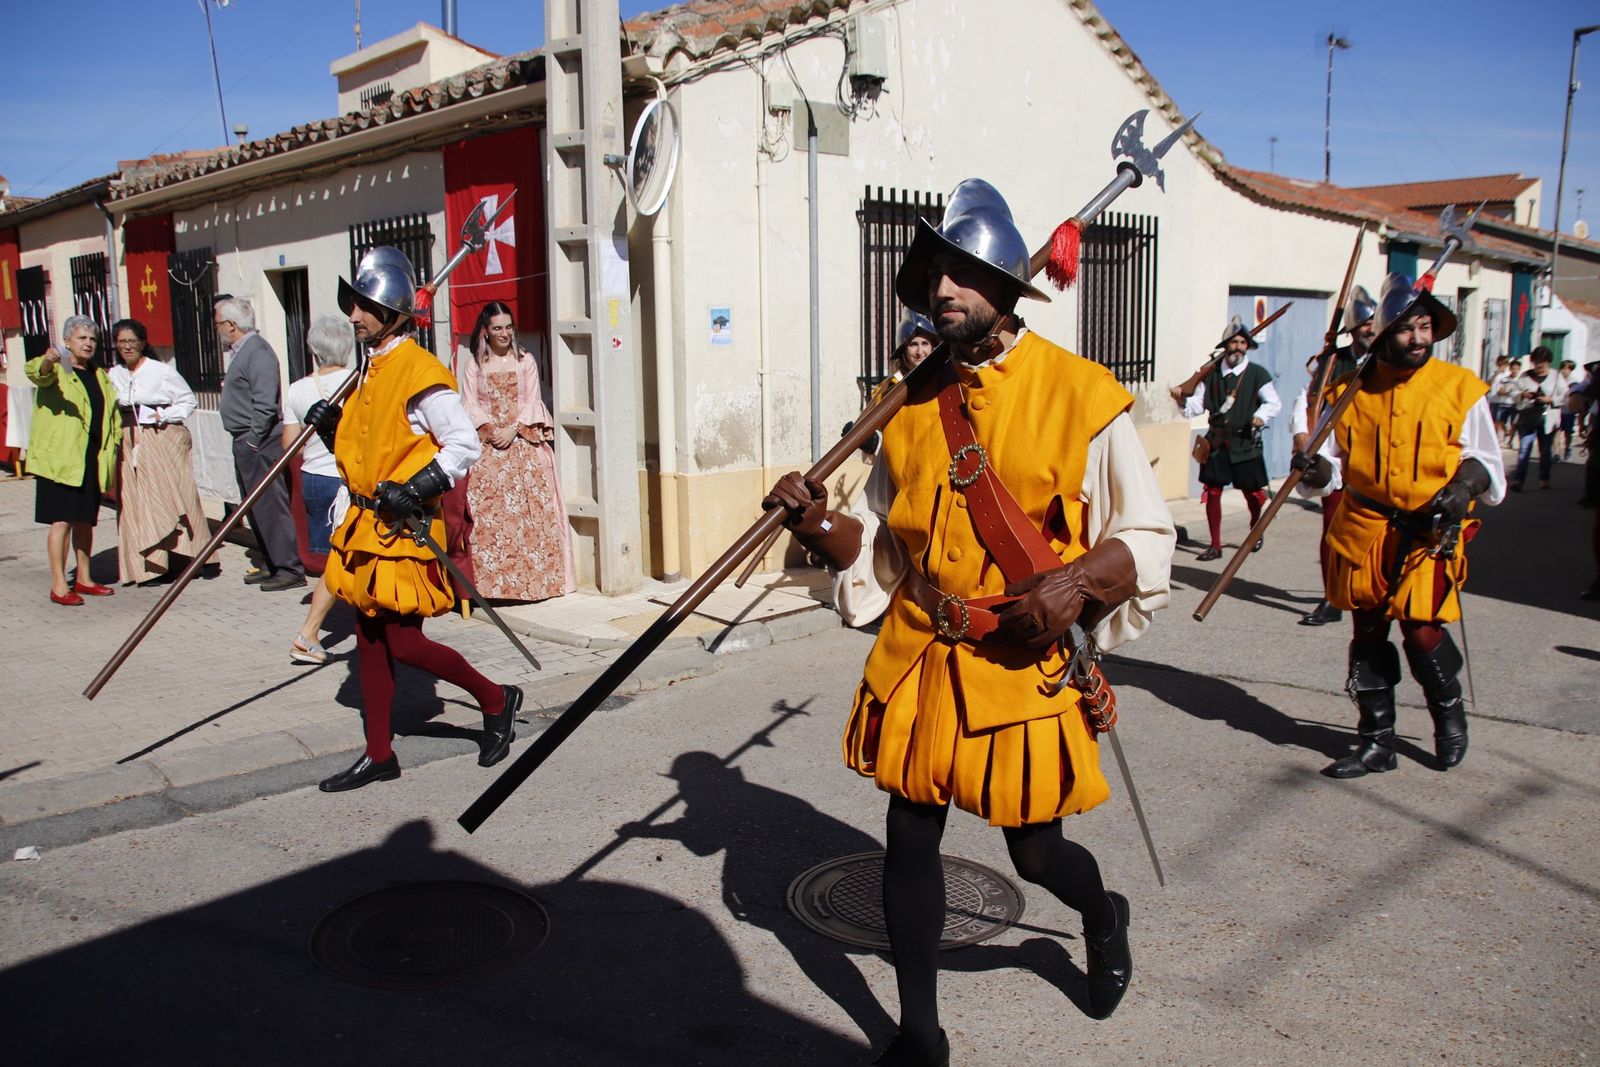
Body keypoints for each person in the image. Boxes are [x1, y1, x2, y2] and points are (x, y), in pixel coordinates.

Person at [766, 180, 1175, 1066]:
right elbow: (880, 541)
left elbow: (1144, 534)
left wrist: (1075, 583)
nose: (940, 291)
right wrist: (813, 521)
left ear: (1004, 285)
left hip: (1020, 657)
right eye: (932, 278)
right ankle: (921, 1033)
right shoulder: (904, 405)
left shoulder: (1079, 392)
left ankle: (1104, 916)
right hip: (922, 650)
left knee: (1035, 852)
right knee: (909, 836)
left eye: (959, 275)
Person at [303, 246, 521, 791]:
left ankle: (496, 699)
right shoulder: (367, 370)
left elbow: (463, 444)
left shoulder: (419, 371)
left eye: (364, 306)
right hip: (365, 524)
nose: (353, 315)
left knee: (401, 642)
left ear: (393, 313)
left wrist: (417, 486)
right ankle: (379, 754)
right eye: (352, 304)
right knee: (370, 640)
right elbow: (367, 449)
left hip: (404, 529)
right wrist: (331, 428)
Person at [1293, 272, 1505, 779]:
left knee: (1423, 631)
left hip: (1428, 532)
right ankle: (1376, 741)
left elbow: (1485, 460)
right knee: (1366, 632)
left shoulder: (1459, 388)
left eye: (1427, 327)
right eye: (1408, 328)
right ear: (1385, 331)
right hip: (1364, 527)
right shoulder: (1348, 390)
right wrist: (1315, 468)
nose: (1419, 338)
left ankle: (1448, 716)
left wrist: (1460, 490)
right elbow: (1330, 467)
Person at [456, 301, 576, 602]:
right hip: (488, 445)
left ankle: (537, 584)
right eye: (498, 328)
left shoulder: (526, 361)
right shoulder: (474, 365)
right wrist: (490, 427)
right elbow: (469, 403)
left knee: (531, 514)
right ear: (485, 331)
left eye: (509, 327)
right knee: (488, 517)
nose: (505, 333)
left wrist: (514, 428)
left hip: (521, 443)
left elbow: (533, 399)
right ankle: (490, 587)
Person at [1289, 286, 1375, 626]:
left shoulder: (1390, 361)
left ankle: (1370, 591)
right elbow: (1306, 403)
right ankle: (1332, 596)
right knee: (1333, 530)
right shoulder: (1333, 362)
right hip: (1340, 459)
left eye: (1374, 325)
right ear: (1352, 330)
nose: (1369, 330)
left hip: (1380, 460)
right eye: (1363, 326)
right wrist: (1302, 442)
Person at [106, 318, 212, 585]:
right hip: (129, 442)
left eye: (132, 341)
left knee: (173, 497)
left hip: (159, 436)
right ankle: (149, 566)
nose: (127, 347)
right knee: (138, 502)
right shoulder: (114, 374)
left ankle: (190, 558)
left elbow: (188, 400)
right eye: (122, 342)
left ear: (142, 343)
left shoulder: (160, 371)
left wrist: (163, 415)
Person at [25, 316, 122, 606]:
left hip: (90, 458)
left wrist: (114, 443)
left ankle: (85, 577)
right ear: (67, 341)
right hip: (61, 460)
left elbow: (110, 414)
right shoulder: (59, 368)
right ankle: (58, 585)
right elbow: (36, 373)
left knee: (84, 521)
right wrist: (47, 359)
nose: (89, 343)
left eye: (92, 339)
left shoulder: (99, 374)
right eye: (82, 338)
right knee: (62, 521)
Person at [1174, 314, 1282, 561]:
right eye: (1234, 343)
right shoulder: (1210, 375)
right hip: (1216, 442)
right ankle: (1215, 545)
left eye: (1243, 343)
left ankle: (1256, 529)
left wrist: (1261, 416)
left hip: (1245, 441)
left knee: (1253, 494)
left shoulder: (1257, 374)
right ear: (1226, 347)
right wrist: (1181, 398)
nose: (1238, 347)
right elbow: (1195, 408)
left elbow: (1274, 403)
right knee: (1212, 492)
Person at [282, 314, 357, 664]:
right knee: (342, 558)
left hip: (313, 476)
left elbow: (289, 445)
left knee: (339, 555)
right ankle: (309, 631)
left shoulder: (297, 389)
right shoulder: (359, 382)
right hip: (346, 480)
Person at [216, 296, 305, 591]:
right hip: (246, 440)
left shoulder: (258, 352)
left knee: (270, 506)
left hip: (259, 442)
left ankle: (288, 567)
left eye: (218, 324)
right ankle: (269, 561)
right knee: (255, 508)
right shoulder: (242, 352)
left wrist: (253, 440)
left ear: (231, 325)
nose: (217, 330)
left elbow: (265, 404)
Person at [1510, 346, 1567, 491]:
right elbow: (1514, 393)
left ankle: (1544, 478)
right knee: (1524, 449)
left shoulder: (1556, 376)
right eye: (1536, 362)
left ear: (1548, 362)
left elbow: (1566, 396)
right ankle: (1518, 480)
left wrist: (1550, 399)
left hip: (1548, 419)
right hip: (1528, 417)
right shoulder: (1524, 376)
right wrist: (1523, 395)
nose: (1539, 365)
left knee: (1545, 450)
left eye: (1542, 362)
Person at [1487, 355, 1516, 443]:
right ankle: (1496, 437)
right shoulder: (1493, 374)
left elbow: (1509, 386)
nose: (1502, 365)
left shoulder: (1507, 375)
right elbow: (1488, 384)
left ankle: (1498, 438)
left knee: (1499, 421)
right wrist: (1496, 374)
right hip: (1493, 399)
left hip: (1503, 401)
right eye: (1500, 363)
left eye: (1504, 364)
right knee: (1493, 421)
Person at [1558, 360, 1580, 460]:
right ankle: (1556, 453)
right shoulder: (1557, 380)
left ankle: (1567, 449)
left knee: (1567, 432)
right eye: (1562, 368)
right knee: (1556, 432)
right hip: (1557, 409)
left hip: (1568, 410)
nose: (1563, 370)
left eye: (1566, 368)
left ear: (1570, 370)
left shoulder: (1574, 383)